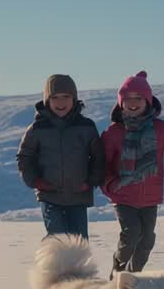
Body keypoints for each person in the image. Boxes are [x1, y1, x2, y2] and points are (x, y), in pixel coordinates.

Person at [100, 71, 164, 277]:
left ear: (148, 100)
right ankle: (119, 267)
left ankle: (133, 277)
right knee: (131, 233)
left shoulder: (163, 129)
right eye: (128, 99)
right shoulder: (114, 132)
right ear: (121, 103)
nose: (133, 103)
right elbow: (101, 163)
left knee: (147, 240)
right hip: (122, 194)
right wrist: (109, 184)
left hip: (150, 197)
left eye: (138, 98)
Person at [16, 74, 105, 239]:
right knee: (58, 237)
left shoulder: (86, 127)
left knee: (79, 242)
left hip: (78, 195)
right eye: (55, 97)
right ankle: (53, 264)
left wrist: (91, 181)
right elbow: (24, 157)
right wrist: (36, 181)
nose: (60, 102)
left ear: (74, 99)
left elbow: (99, 157)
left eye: (66, 97)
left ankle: (78, 266)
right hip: (49, 195)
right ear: (47, 100)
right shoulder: (37, 129)